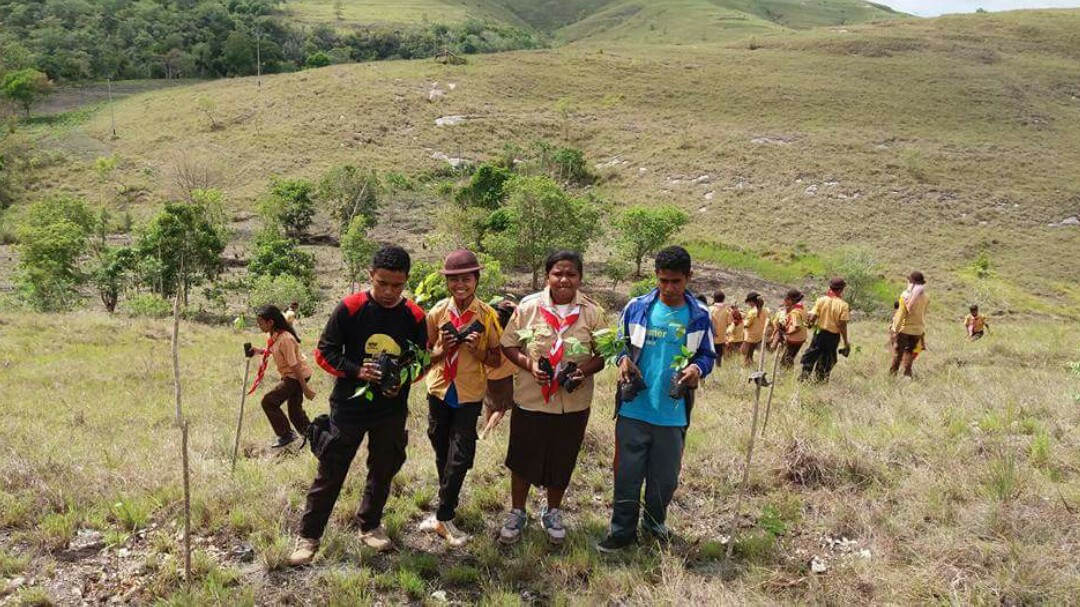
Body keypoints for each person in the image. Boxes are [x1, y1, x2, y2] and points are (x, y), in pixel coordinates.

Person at [288, 246, 428, 566]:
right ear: (370, 276)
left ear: (406, 281)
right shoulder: (350, 308)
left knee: (383, 467)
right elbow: (325, 352)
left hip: (391, 408)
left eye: (398, 285)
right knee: (332, 469)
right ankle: (309, 536)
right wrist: (357, 370)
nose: (390, 291)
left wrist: (401, 380)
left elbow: (420, 362)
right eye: (383, 284)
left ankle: (370, 525)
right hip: (349, 407)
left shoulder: (415, 316)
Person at [598, 246, 715, 552]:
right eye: (663, 280)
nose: (669, 288)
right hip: (634, 408)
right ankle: (621, 532)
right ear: (656, 276)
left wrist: (696, 368)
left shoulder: (700, 315)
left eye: (676, 281)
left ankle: (654, 525)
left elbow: (708, 355)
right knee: (627, 474)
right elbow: (617, 345)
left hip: (672, 412)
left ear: (689, 277)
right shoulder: (637, 307)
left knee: (664, 479)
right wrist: (622, 360)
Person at [497, 251, 607, 546]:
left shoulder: (593, 313)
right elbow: (509, 345)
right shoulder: (528, 307)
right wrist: (530, 365)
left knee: (563, 456)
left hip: (572, 402)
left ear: (580, 278)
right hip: (531, 398)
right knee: (522, 456)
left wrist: (582, 371)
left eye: (571, 274)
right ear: (548, 276)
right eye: (558, 273)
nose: (564, 280)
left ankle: (553, 511)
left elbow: (602, 355)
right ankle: (517, 512)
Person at [420, 250, 503, 547]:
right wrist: (443, 350)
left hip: (469, 393)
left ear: (476, 280)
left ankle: (443, 515)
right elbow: (426, 355)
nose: (460, 285)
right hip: (439, 390)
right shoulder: (437, 313)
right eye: (453, 280)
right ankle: (445, 511)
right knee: (442, 451)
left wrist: (476, 350)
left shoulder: (488, 317)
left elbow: (495, 359)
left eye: (466, 279)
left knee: (459, 455)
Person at [249, 305, 315, 448]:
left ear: (270, 322)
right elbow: (274, 350)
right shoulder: (275, 335)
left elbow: (295, 365)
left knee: (268, 401)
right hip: (293, 375)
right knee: (295, 412)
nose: (259, 326)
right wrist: (258, 351)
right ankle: (314, 437)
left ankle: (286, 434)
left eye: (261, 323)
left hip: (296, 376)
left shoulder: (286, 338)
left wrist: (305, 389)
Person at [799, 277, 851, 382]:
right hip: (833, 337)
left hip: (819, 333)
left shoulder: (821, 300)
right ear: (841, 289)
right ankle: (820, 381)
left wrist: (810, 324)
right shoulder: (843, 305)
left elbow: (813, 316)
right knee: (828, 359)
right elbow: (842, 325)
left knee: (812, 354)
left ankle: (804, 378)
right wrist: (846, 342)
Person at [481, 298, 518, 439]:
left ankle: (486, 429)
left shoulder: (489, 334)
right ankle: (485, 433)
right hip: (503, 377)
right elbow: (527, 319)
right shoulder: (511, 335)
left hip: (487, 376)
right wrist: (517, 307)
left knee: (490, 405)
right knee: (501, 409)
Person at [890, 271, 930, 378]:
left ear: (911, 281)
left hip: (904, 329)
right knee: (910, 353)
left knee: (898, 354)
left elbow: (901, 314)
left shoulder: (905, 295)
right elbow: (924, 313)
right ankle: (907, 375)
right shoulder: (926, 297)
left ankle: (892, 377)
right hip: (918, 330)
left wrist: (895, 329)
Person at [778, 289, 808, 368]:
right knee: (790, 357)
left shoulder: (795, 312)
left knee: (785, 360)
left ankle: (787, 375)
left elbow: (797, 327)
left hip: (794, 339)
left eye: (788, 299)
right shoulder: (803, 307)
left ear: (792, 300)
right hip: (802, 337)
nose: (786, 301)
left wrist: (786, 333)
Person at [741, 292, 769, 367]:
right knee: (751, 354)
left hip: (750, 337)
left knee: (746, 355)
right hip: (759, 336)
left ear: (751, 302)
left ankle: (746, 369)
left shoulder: (752, 312)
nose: (749, 304)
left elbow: (746, 325)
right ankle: (752, 365)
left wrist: (743, 319)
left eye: (749, 302)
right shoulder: (765, 310)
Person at [708, 291, 732, 369]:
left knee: (710, 351)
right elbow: (729, 322)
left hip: (711, 335)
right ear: (723, 299)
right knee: (719, 351)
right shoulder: (727, 310)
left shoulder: (710, 309)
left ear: (714, 299)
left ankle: (709, 367)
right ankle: (718, 366)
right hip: (721, 336)